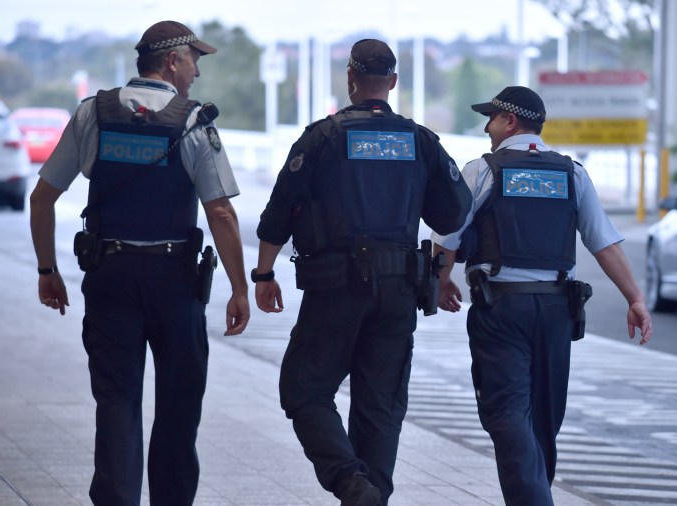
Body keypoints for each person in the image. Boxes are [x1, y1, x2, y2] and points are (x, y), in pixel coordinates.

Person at [29, 20, 250, 506]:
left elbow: (42, 198)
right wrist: (240, 286)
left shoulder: (94, 114)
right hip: (174, 282)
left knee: (116, 404)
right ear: (172, 61)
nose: (196, 71)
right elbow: (220, 211)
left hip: (109, 278)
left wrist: (47, 272)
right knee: (178, 407)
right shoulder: (190, 120)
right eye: (194, 59)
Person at [253, 39, 471, 506]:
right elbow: (453, 215)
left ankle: (352, 484)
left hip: (334, 288)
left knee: (304, 389)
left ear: (350, 79)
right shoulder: (421, 141)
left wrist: (263, 273)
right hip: (399, 290)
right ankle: (371, 496)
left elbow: (279, 212)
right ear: (392, 82)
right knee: (380, 408)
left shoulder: (322, 138)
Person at [432, 86, 653, 506]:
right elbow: (603, 242)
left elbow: (447, 237)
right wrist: (635, 298)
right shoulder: (572, 173)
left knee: (508, 413)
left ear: (511, 121)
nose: (486, 127)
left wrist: (442, 281)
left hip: (501, 309)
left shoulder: (483, 170)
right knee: (543, 419)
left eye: (492, 118)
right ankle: (536, 496)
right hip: (556, 311)